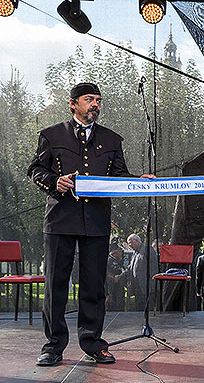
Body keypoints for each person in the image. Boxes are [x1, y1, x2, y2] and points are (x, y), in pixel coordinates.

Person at [27, 82, 153, 366]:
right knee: (56, 285)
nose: (95, 104)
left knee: (94, 286)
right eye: (88, 99)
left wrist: (136, 181)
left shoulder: (111, 139)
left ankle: (94, 343)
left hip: (96, 221)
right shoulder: (51, 134)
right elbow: (35, 169)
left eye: (97, 100)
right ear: (73, 104)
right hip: (60, 219)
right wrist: (53, 182)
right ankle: (53, 346)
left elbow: (118, 177)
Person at [120, 234, 157, 310]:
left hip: (147, 287)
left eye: (130, 242)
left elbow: (154, 268)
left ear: (137, 241)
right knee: (139, 309)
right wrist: (120, 276)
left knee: (148, 309)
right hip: (137, 288)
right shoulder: (135, 253)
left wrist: (152, 284)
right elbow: (130, 268)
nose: (129, 245)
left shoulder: (147, 249)